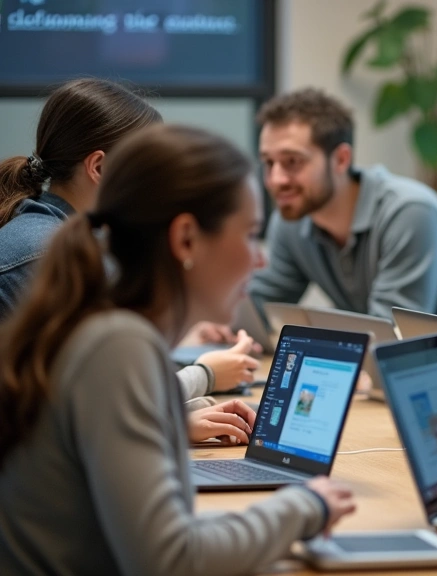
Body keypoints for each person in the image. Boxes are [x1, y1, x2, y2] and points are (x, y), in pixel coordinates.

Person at [0, 124, 355, 574]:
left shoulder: (105, 330)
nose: (260, 259)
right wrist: (304, 507)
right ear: (186, 239)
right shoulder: (118, 346)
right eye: (249, 234)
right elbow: (170, 561)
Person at [0, 78, 259, 441]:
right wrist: (196, 386)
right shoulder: (47, 256)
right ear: (100, 169)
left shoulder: (59, 239)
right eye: (149, 172)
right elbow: (93, 408)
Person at [247, 88, 437, 341]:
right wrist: (226, 328)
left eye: (293, 162)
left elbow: (393, 335)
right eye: (268, 163)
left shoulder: (409, 212)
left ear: (341, 159)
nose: (276, 180)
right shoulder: (292, 221)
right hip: (392, 367)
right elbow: (262, 307)